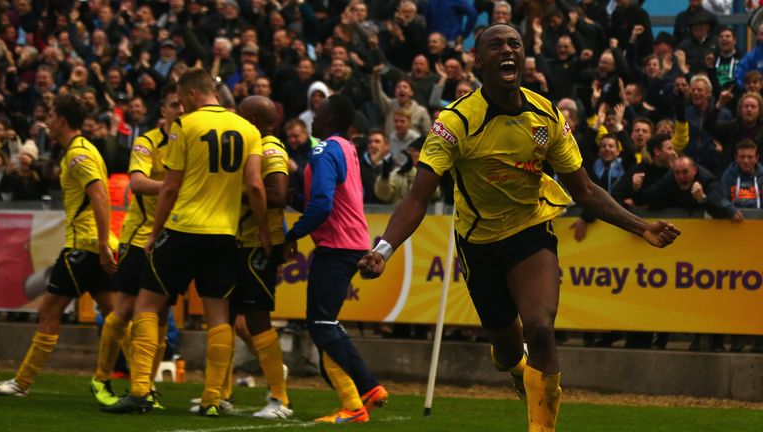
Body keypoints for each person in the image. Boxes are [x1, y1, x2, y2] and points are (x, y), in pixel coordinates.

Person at [357, 23, 680, 432]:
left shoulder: (546, 114)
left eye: (515, 44)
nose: (508, 50)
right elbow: (417, 198)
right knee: (508, 350)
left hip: (531, 230)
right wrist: (383, 250)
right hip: (478, 243)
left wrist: (641, 227)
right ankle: (514, 366)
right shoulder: (455, 123)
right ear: (478, 60)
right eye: (496, 45)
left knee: (541, 328)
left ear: (524, 57)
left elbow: (584, 190)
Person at [102, 68, 270, 416]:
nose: (180, 108)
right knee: (219, 317)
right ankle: (212, 399)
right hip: (225, 236)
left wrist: (153, 232)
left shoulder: (185, 127)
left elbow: (170, 188)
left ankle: (140, 392)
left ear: (193, 95)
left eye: (182, 99)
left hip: (182, 231)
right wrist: (265, 232)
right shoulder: (248, 129)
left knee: (147, 305)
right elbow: (255, 186)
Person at [0, 94, 116, 397]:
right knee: (116, 316)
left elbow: (100, 197)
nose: (46, 121)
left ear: (61, 121)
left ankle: (21, 383)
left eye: (50, 115)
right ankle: (140, 381)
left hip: (83, 246)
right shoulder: (80, 149)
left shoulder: (78, 155)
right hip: (92, 245)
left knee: (49, 311)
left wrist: (101, 244)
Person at [283, 94, 388, 423]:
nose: (314, 116)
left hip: (337, 246)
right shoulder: (346, 149)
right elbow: (327, 200)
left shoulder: (324, 149)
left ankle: (367, 388)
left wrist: (291, 235)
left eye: (319, 111)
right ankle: (354, 404)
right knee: (323, 324)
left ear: (328, 120)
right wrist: (295, 198)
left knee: (321, 323)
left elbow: (323, 205)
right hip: (350, 243)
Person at [89, 82, 183, 408]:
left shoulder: (191, 144)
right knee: (126, 308)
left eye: (184, 104)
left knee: (161, 315)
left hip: (173, 238)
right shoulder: (147, 142)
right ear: (163, 110)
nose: (181, 110)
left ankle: (146, 386)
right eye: (174, 104)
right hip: (138, 236)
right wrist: (172, 187)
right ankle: (101, 377)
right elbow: (138, 183)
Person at [225, 95, 293, 419]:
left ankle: (280, 399)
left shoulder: (270, 148)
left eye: (240, 115)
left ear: (251, 120)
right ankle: (221, 394)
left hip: (259, 246)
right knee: (228, 318)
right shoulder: (252, 148)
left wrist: (229, 192)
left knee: (257, 319)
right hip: (242, 243)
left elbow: (279, 193)